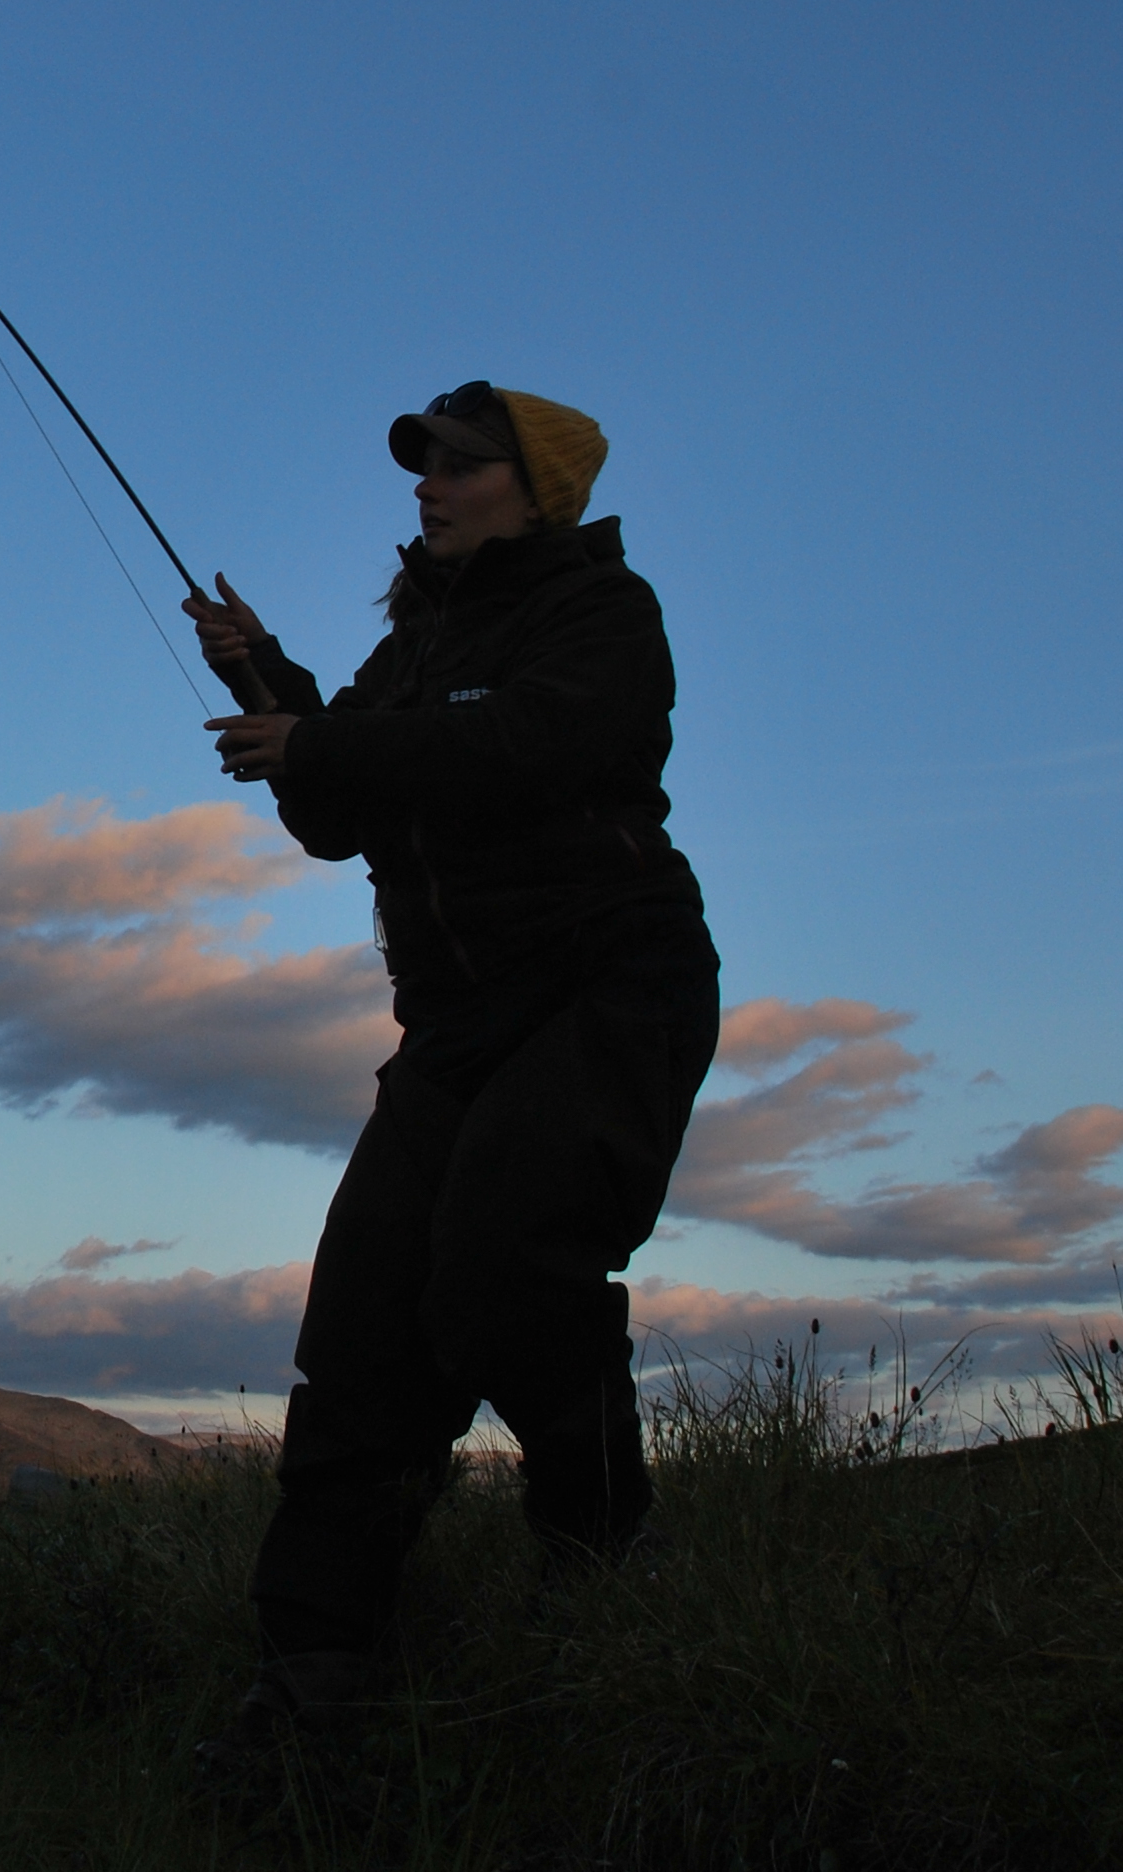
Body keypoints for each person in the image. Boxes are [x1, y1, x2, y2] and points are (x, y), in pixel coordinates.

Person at [185, 379, 719, 1746]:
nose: (428, 483)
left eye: (461, 465)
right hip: (456, 1027)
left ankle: (606, 1555)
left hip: (609, 984)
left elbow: (539, 743)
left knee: (505, 1261)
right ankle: (316, 1672)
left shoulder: (601, 611)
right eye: (423, 463)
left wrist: (330, 737)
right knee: (363, 1322)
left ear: (537, 490)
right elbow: (334, 807)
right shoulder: (415, 645)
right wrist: (267, 682)